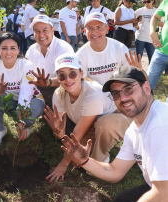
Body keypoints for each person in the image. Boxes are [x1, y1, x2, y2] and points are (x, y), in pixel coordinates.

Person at [60, 65, 168, 201]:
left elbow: (163, 194)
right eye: (116, 93)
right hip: (161, 186)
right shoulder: (134, 129)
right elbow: (116, 171)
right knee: (123, 199)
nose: (122, 98)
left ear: (146, 88)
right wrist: (84, 161)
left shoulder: (161, 124)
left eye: (128, 89)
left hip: (164, 190)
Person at [45, 54, 131, 183]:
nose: (67, 79)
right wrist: (59, 132)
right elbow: (62, 133)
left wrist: (63, 164)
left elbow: (77, 133)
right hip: (93, 123)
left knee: (104, 125)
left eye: (72, 73)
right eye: (62, 75)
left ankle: (102, 158)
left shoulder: (92, 94)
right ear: (58, 78)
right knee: (75, 161)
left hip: (123, 119)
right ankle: (95, 149)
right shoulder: (59, 94)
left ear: (81, 73)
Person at [0, 32, 45, 146]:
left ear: (18, 50)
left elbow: (26, 93)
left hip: (33, 99)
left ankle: (27, 126)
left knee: (28, 118)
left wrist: (21, 120)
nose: (8, 52)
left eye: (13, 48)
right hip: (10, 99)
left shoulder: (27, 65)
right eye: (4, 48)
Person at [25, 15, 74, 107]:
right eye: (37, 31)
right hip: (38, 90)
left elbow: (70, 78)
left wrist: (49, 82)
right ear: (33, 33)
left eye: (45, 30)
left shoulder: (63, 48)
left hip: (60, 90)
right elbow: (26, 75)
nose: (41, 35)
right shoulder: (31, 50)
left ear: (53, 30)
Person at [76, 12, 130, 86]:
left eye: (99, 27)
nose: (94, 32)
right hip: (94, 93)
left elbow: (130, 76)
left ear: (107, 30)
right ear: (85, 32)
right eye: (90, 28)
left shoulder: (120, 48)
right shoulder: (80, 55)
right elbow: (84, 84)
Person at [148, 0, 168, 90]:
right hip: (161, 51)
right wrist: (152, 31)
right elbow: (155, 17)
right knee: (147, 85)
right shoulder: (166, 2)